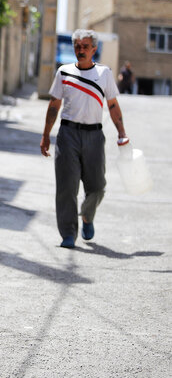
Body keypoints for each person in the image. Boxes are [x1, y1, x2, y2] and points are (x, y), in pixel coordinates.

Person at [41, 29, 128, 249]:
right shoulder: (64, 72)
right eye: (77, 47)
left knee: (97, 186)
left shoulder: (104, 74)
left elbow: (113, 105)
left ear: (94, 49)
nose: (81, 51)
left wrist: (121, 131)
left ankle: (87, 216)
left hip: (94, 136)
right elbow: (54, 106)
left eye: (85, 47)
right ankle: (68, 234)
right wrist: (45, 136)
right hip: (68, 135)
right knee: (67, 187)